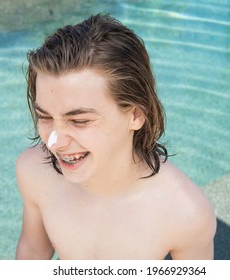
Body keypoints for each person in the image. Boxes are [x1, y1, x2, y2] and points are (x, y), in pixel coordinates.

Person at [15, 13, 216, 260]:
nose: (54, 141)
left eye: (79, 121)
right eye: (45, 117)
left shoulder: (184, 212)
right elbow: (34, 251)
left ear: (135, 115)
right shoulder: (34, 172)